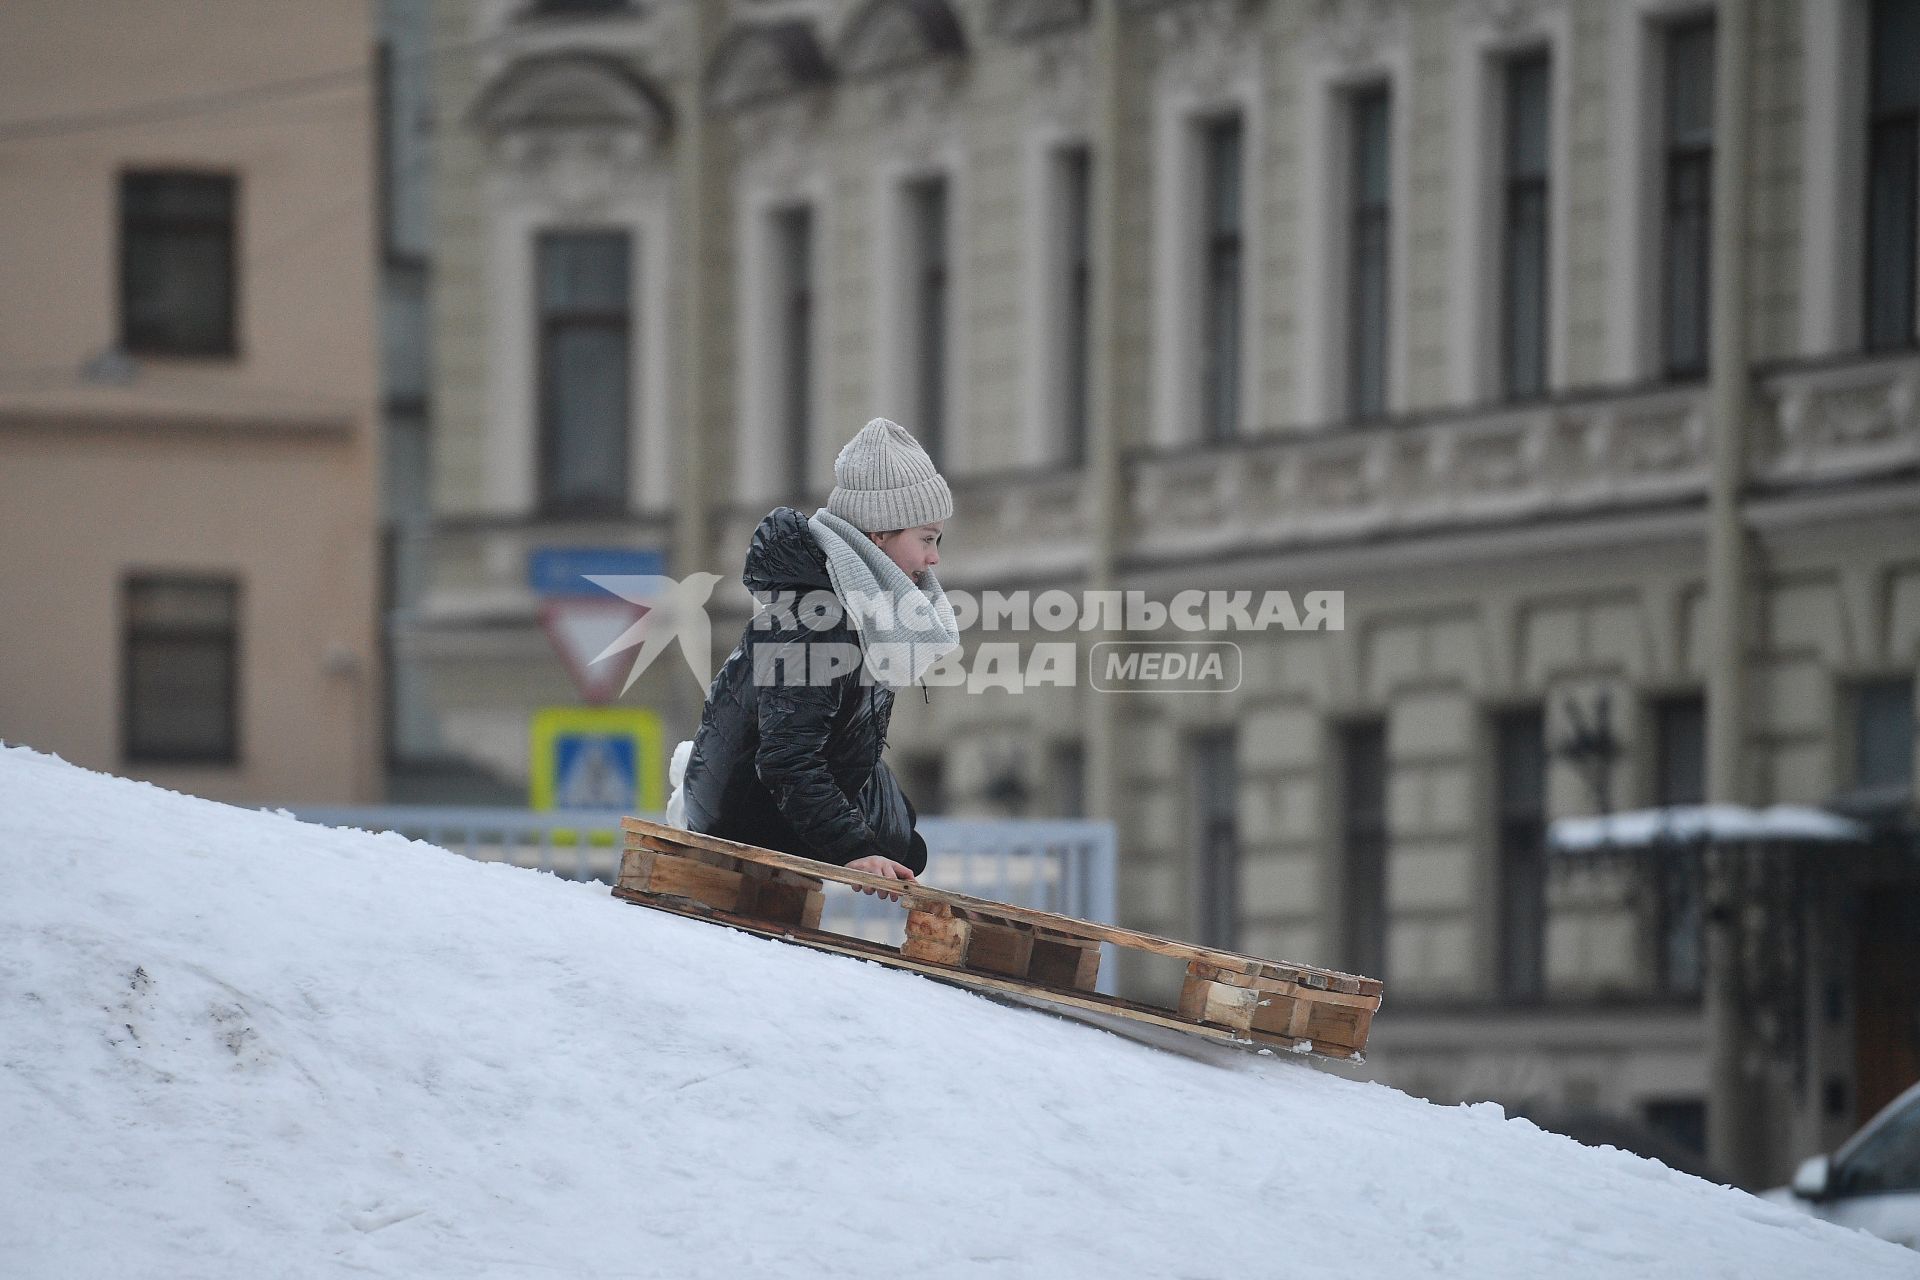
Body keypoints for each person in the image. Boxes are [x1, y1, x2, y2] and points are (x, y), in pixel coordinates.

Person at [673, 417, 961, 902]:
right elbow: (786, 759)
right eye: (927, 539)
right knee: (889, 844)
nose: (934, 559)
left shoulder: (866, 606)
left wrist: (873, 840)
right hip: (743, 813)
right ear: (878, 536)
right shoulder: (819, 619)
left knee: (904, 844)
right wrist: (853, 849)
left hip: (771, 793)